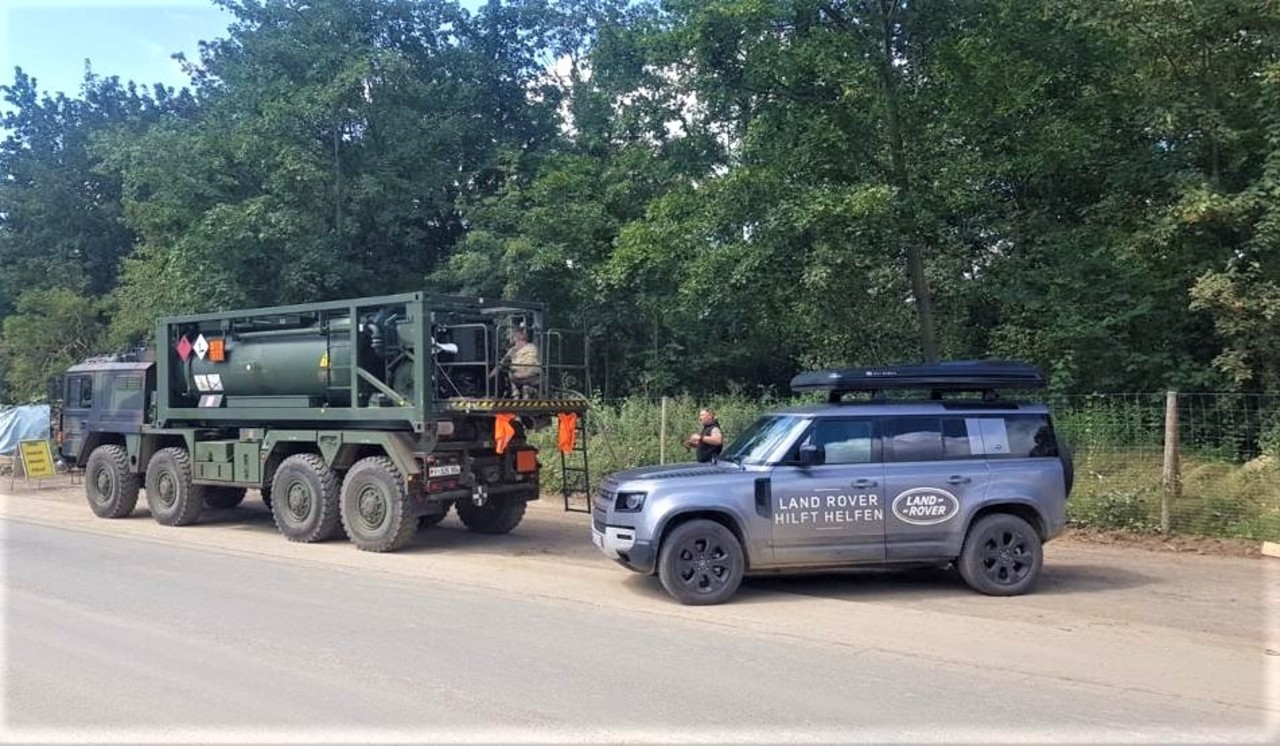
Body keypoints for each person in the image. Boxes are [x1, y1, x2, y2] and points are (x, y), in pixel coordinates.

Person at [504, 327, 541, 399]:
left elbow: (504, 361)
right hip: (535, 376)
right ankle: (528, 390)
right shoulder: (533, 347)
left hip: (520, 376)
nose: (515, 343)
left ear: (518, 339)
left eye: (515, 340)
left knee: (509, 372)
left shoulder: (514, 349)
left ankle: (515, 393)